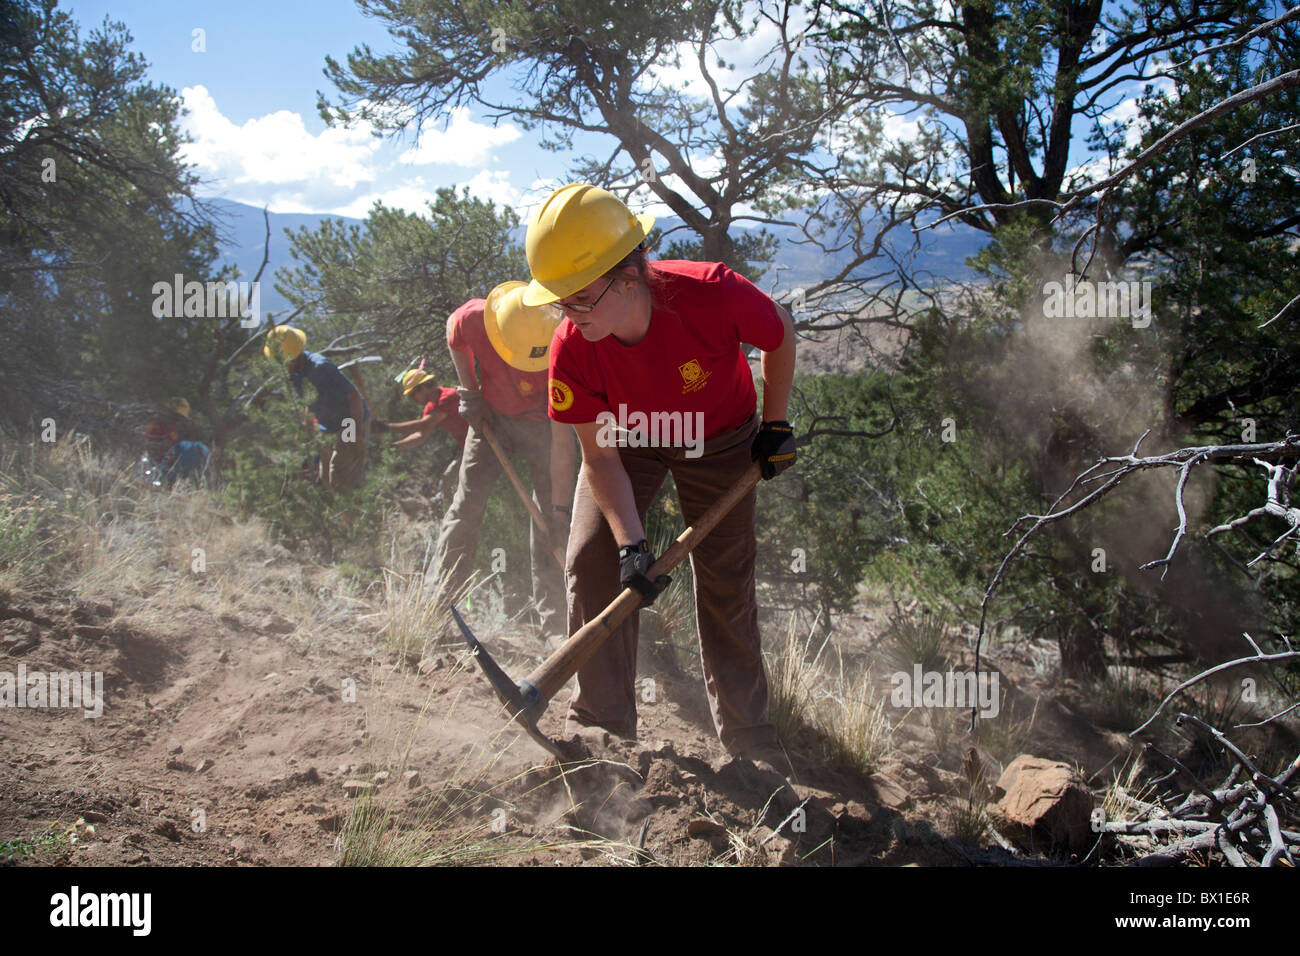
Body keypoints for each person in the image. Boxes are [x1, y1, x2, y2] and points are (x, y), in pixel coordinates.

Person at [522, 183, 797, 762]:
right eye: (557, 301)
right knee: (591, 558)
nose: (564, 314)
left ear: (627, 278)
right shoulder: (572, 347)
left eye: (576, 298)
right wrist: (631, 546)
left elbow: (781, 331)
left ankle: (750, 742)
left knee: (724, 577)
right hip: (629, 443)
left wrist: (774, 426)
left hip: (719, 440)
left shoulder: (711, 294)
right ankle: (605, 725)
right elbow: (599, 457)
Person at [431, 281, 577, 643]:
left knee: (550, 522)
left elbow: (563, 442)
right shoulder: (478, 318)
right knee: (466, 507)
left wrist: (560, 510)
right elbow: (454, 334)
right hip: (491, 419)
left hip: (545, 426)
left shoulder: (571, 341)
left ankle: (556, 626)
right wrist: (469, 393)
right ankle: (436, 608)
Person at [264, 326, 370, 493]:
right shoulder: (294, 373)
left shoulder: (320, 368)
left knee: (341, 477)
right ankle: (347, 516)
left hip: (348, 422)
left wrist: (354, 433)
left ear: (292, 358)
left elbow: (354, 397)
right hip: (327, 428)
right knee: (326, 478)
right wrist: (307, 427)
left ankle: (362, 515)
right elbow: (310, 400)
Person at [376, 367, 470, 505]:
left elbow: (422, 424)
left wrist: (386, 428)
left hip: (482, 442)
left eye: (412, 395)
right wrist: (394, 447)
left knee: (467, 484)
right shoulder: (431, 407)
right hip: (467, 448)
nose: (412, 399)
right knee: (447, 482)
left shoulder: (447, 397)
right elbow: (420, 435)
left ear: (423, 388)